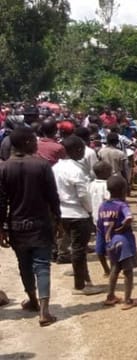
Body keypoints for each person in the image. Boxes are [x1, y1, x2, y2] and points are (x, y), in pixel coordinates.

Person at [0, 127, 60, 326]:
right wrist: (58, 218)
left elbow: (2, 203)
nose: (37, 143)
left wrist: (1, 228)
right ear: (26, 142)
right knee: (42, 266)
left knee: (24, 265)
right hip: (41, 224)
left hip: (17, 226)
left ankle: (33, 300)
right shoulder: (42, 166)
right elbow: (52, 196)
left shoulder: (4, 168)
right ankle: (44, 311)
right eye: (34, 140)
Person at [53, 135, 103, 295]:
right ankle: (81, 286)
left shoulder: (56, 168)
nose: (84, 152)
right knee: (79, 250)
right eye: (82, 149)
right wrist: (90, 211)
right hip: (78, 214)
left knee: (76, 248)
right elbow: (82, 195)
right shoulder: (76, 170)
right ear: (77, 150)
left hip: (63, 213)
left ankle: (85, 280)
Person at [96, 175, 137, 310]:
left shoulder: (102, 206)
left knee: (114, 269)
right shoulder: (122, 205)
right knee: (128, 271)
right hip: (123, 242)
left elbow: (99, 227)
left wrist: (103, 245)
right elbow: (129, 217)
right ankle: (127, 300)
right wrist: (123, 227)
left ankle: (110, 296)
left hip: (110, 243)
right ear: (123, 190)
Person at [89, 161, 112, 276]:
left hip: (95, 220)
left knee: (99, 247)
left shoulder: (91, 184)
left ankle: (106, 270)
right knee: (111, 246)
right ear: (106, 172)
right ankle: (113, 269)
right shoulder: (107, 185)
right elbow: (110, 200)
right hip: (108, 220)